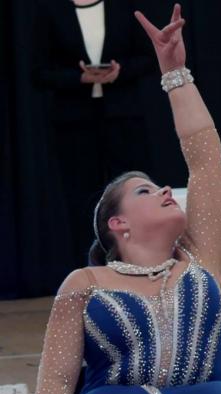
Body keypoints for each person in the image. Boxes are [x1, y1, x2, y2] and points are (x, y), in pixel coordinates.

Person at [32, 5, 221, 394]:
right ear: (118, 224)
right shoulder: (85, 282)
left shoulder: (199, 260)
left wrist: (175, 73)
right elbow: (55, 386)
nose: (166, 189)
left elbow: (206, 159)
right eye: (145, 191)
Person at [32, 0, 155, 269]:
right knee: (81, 198)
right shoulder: (51, 10)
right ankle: (90, 271)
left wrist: (120, 71)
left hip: (122, 117)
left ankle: (141, 265)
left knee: (131, 192)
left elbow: (148, 58)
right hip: (74, 121)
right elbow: (39, 73)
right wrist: (79, 78)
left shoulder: (123, 7)